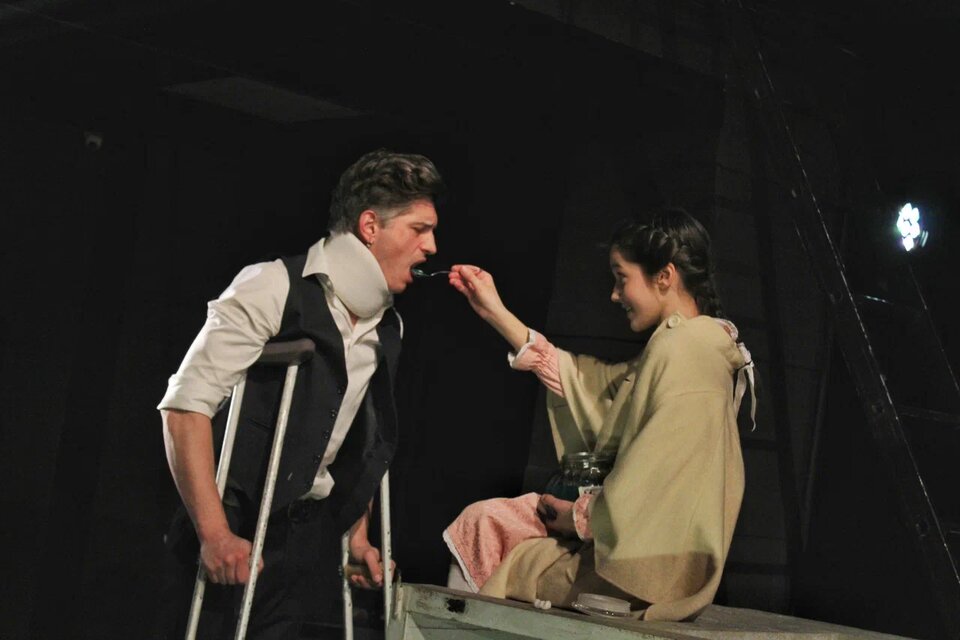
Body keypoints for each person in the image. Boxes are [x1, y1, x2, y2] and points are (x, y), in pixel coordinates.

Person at [157, 149, 445, 638]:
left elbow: (359, 443)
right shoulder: (271, 286)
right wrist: (214, 533)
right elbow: (185, 407)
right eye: (419, 229)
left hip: (303, 534)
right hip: (233, 523)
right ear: (370, 226)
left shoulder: (387, 327)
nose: (432, 246)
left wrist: (358, 538)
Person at [442, 208, 755, 622]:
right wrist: (495, 312)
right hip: (632, 546)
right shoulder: (687, 344)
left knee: (491, 533)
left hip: (641, 571)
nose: (614, 294)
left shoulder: (686, 349)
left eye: (622, 278)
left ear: (664, 276)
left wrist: (579, 518)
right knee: (488, 522)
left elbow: (657, 473)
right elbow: (594, 391)